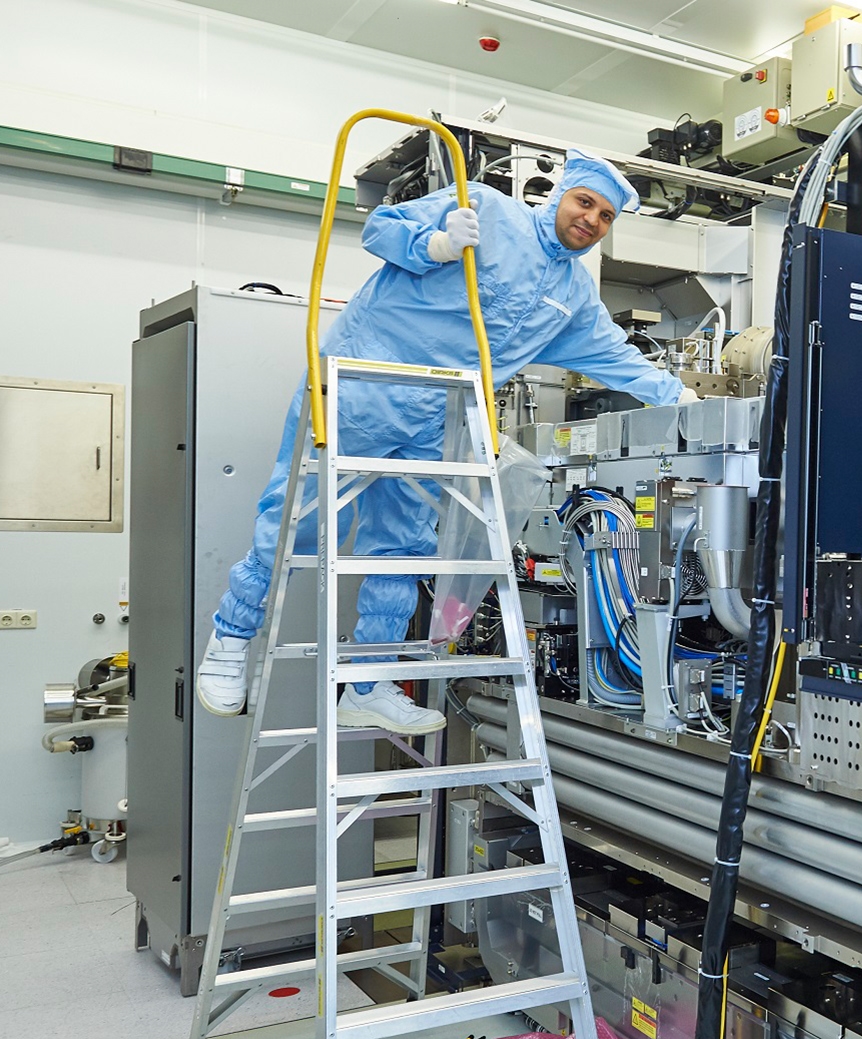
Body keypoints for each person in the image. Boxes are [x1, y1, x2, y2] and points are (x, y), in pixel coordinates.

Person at [196, 150, 694, 734]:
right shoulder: (485, 208)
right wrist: (433, 246)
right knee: (297, 523)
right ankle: (229, 643)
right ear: (560, 195)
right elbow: (381, 229)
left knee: (402, 548)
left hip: (436, 418)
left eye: (606, 216)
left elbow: (614, 356)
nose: (592, 219)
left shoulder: (574, 295)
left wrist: (683, 398)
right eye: (585, 202)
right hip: (362, 387)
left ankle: (367, 684)